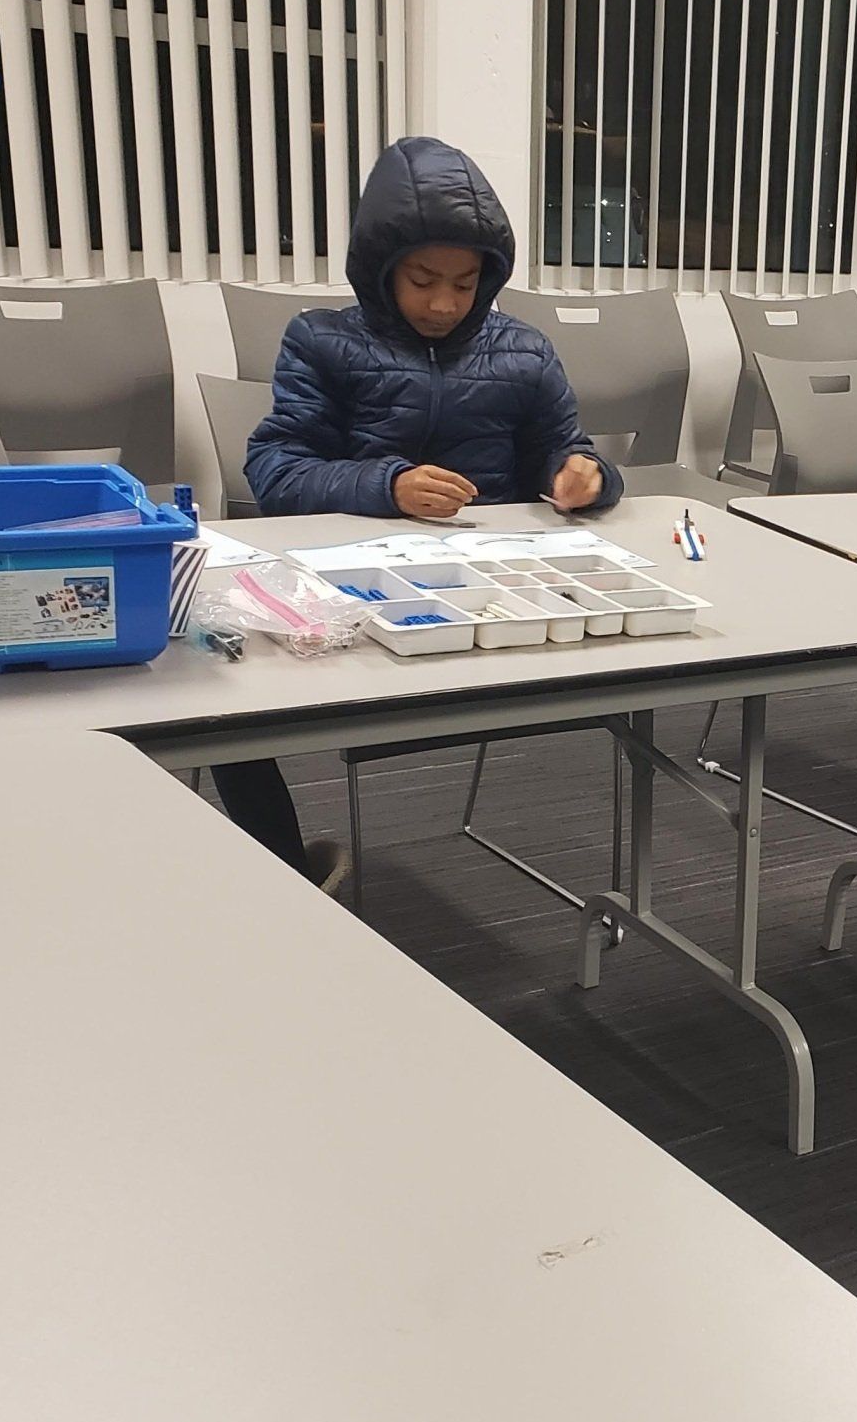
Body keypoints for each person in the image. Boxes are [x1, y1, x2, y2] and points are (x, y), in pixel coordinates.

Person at [213, 135, 624, 884]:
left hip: (496, 593)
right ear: (381, 270)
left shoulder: (523, 350)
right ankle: (277, 875)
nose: (444, 303)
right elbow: (276, 471)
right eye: (423, 279)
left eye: (466, 283)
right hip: (355, 589)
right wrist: (387, 486)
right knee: (225, 698)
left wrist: (586, 475)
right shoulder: (322, 340)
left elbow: (566, 449)